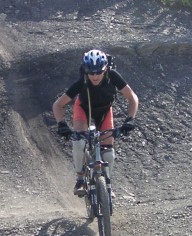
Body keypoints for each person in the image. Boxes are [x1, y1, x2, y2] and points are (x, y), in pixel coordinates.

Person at [52, 49, 139, 196]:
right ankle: (80, 180)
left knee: (109, 154)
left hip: (104, 110)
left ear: (105, 69)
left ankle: (107, 185)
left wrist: (130, 119)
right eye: (90, 72)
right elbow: (57, 105)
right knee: (78, 142)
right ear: (85, 71)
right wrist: (62, 124)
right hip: (84, 108)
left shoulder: (112, 76)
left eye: (98, 72)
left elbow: (133, 98)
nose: (94, 76)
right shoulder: (83, 82)